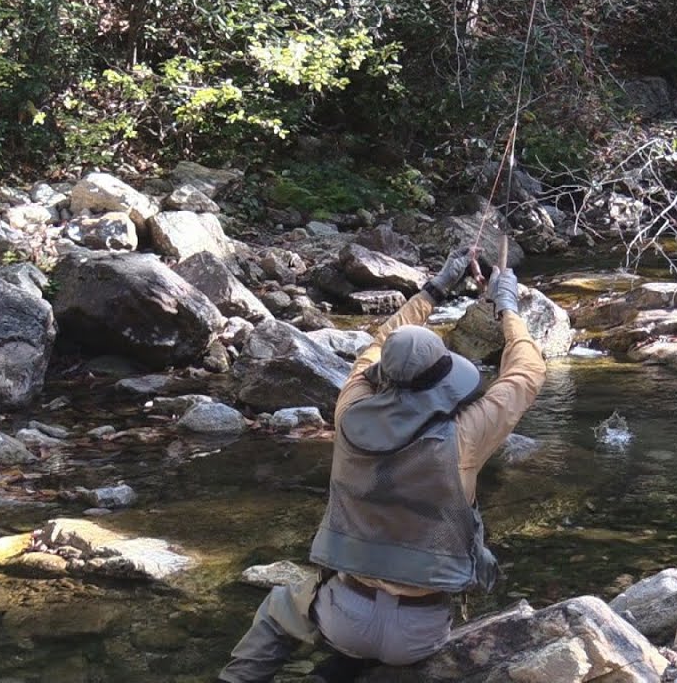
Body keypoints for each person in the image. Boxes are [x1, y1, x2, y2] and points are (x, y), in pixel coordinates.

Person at [218, 247, 547, 683]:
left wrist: (434, 288)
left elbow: (379, 342)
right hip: (419, 632)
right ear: (445, 382)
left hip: (344, 618)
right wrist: (508, 307)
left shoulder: (348, 410)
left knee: (282, 607)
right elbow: (526, 372)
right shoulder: (466, 435)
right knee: (384, 656)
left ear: (383, 379)